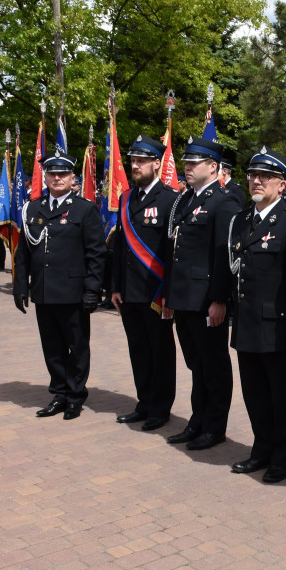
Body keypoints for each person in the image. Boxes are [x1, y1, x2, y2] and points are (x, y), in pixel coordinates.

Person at [227, 147, 286, 483]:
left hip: (277, 324)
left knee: (282, 394)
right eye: (252, 175)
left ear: (282, 184)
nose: (256, 181)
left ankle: (282, 455)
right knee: (255, 392)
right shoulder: (242, 219)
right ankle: (261, 448)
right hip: (246, 321)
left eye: (265, 176)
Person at [12, 149, 106, 420]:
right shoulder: (33, 208)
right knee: (52, 348)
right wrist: (21, 287)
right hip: (43, 290)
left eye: (62, 173)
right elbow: (23, 253)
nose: (57, 178)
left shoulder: (84, 209)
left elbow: (96, 254)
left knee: (77, 347)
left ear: (72, 177)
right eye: (52, 173)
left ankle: (75, 395)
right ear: (45, 176)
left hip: (73, 292)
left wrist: (92, 290)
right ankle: (60, 393)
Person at [162, 137, 241, 450]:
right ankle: (198, 419)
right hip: (184, 297)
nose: (188, 167)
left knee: (214, 364)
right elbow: (176, 250)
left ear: (213, 167)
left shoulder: (224, 202)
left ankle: (214, 426)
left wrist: (219, 299)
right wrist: (169, 294)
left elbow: (224, 256)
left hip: (206, 298)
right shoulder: (186, 200)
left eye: (195, 163)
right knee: (196, 363)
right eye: (187, 162)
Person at [110, 135, 179, 432]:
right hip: (128, 291)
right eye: (132, 160)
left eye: (141, 161)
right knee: (138, 349)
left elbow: (173, 253)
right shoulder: (126, 198)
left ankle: (160, 408)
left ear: (156, 163)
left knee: (160, 352)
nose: (135, 166)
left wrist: (169, 293)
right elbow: (118, 248)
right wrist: (114, 286)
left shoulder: (171, 200)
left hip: (156, 292)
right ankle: (144, 402)